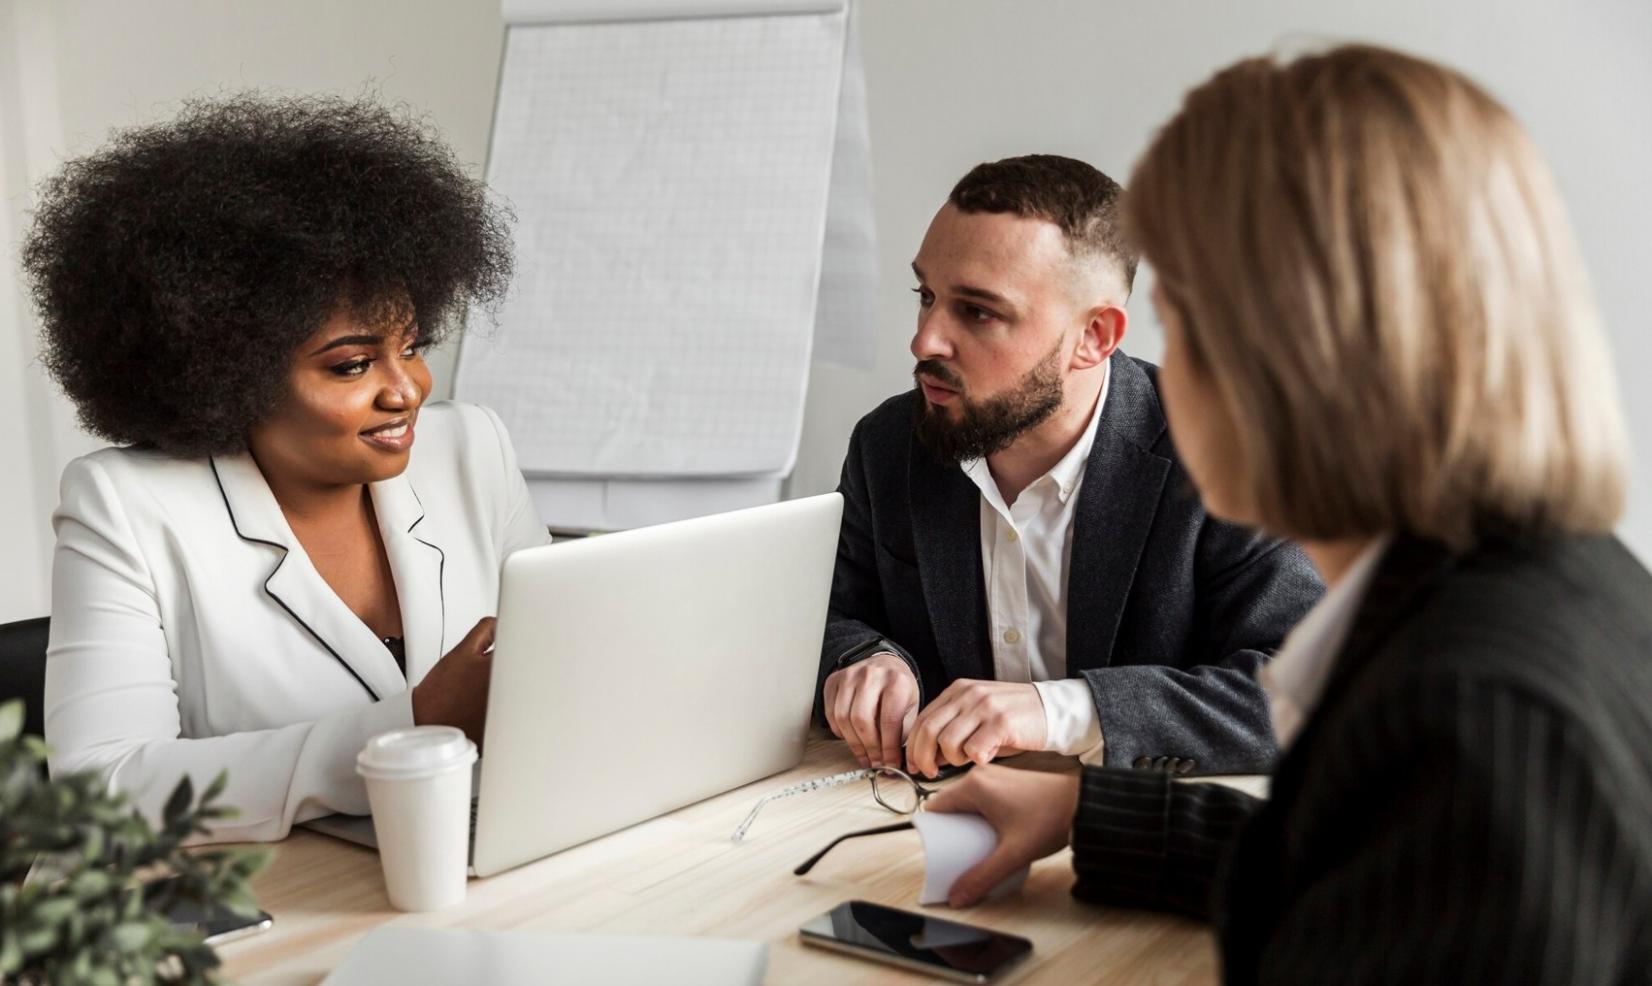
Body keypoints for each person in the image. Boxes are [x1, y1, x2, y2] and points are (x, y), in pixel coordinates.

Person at [926, 46, 1652, 983]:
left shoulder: (1474, 717)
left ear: (1291, 350)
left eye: (1182, 323)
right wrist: (1090, 814)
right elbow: (1394, 860)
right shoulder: (1548, 585)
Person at [24, 96, 548, 843]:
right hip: (261, 914)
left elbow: (566, 659)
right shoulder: (126, 506)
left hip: (482, 861)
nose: (407, 390)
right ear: (227, 372)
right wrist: (412, 726)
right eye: (353, 365)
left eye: (415, 345)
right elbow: (100, 791)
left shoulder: (472, 450)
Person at [818, 155, 1322, 778]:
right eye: (927, 296)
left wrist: (1061, 712)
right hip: (924, 823)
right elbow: (821, 615)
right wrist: (862, 658)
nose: (924, 341)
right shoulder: (888, 444)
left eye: (978, 312)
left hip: (1138, 839)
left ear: (1096, 337)